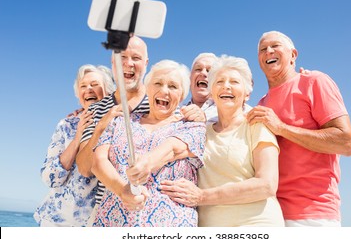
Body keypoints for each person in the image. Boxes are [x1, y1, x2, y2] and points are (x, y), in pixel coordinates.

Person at [76, 36, 204, 225]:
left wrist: (146, 164)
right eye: (158, 84)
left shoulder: (188, 119)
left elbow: (175, 146)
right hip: (112, 217)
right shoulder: (108, 115)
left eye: (135, 58)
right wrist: (100, 127)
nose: (164, 91)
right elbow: (89, 165)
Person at [246, 31, 351, 227]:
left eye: (275, 46)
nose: (268, 51)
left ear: (293, 55)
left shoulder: (313, 82)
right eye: (263, 49)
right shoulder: (261, 104)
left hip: (313, 214)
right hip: (270, 215)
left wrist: (281, 128)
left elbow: (346, 143)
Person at [160, 56, 284, 227]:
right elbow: (168, 152)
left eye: (234, 81)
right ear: (211, 92)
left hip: (257, 224)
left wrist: (202, 196)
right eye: (219, 81)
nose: (226, 86)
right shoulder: (199, 132)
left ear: (247, 93)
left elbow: (267, 185)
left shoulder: (257, 126)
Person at [34, 64, 115, 226]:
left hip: (96, 224)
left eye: (95, 84)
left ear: (109, 90)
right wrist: (78, 136)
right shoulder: (67, 124)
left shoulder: (119, 123)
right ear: (78, 95)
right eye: (83, 86)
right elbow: (50, 178)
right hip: (54, 221)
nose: (88, 89)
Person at [187, 53, 252, 123]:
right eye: (198, 69)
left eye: (209, 71)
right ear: (189, 78)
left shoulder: (241, 109)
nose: (203, 73)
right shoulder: (177, 111)